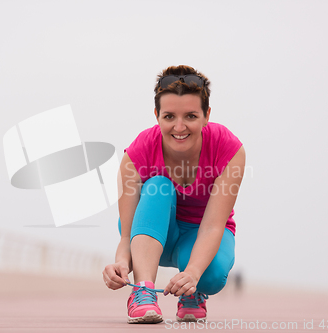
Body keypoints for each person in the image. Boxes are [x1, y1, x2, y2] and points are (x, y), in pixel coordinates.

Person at [102, 65, 245, 324]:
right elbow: (126, 233)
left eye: (190, 116)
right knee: (159, 185)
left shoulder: (229, 148)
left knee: (210, 277)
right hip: (151, 232)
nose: (179, 127)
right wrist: (120, 264)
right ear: (157, 115)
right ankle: (144, 292)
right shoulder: (137, 153)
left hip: (200, 232)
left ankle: (192, 293)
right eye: (169, 117)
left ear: (206, 115)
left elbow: (214, 226)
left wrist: (192, 273)